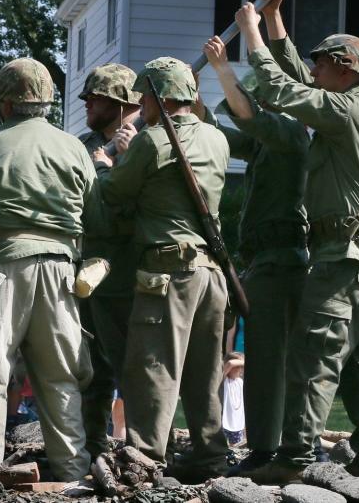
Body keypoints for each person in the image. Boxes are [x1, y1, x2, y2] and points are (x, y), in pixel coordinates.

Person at [240, 0, 359, 483]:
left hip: (342, 256)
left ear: (345, 69)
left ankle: (295, 456)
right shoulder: (352, 108)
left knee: (313, 354)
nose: (314, 70)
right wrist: (277, 21)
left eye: (322, 63)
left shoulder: (345, 109)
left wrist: (252, 36)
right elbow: (300, 81)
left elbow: (283, 90)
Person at [0, 57, 97, 481]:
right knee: (61, 376)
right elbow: (96, 214)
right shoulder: (73, 147)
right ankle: (73, 473)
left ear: (5, 103)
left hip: (0, 270)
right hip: (60, 273)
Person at [92, 56, 230, 483]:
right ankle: (209, 455)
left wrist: (103, 162)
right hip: (211, 272)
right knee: (205, 371)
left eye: (145, 96)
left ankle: (145, 459)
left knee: (153, 366)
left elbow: (114, 192)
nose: (141, 104)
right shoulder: (216, 139)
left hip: (168, 270)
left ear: (158, 97)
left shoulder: (152, 141)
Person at [195, 33, 310, 472]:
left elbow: (246, 117)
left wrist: (224, 68)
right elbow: (224, 134)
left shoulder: (289, 134)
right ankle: (270, 445)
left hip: (281, 261)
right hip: (266, 261)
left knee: (268, 361)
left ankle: (269, 449)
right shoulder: (268, 141)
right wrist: (191, 106)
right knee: (266, 359)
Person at [77, 63, 142, 457]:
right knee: (90, 364)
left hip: (127, 266)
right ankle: (93, 446)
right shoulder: (83, 146)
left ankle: (145, 448)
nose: (87, 103)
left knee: (132, 364)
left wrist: (121, 162)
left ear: (119, 103)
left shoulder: (146, 139)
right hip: (88, 265)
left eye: (96, 97)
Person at [222, 352, 245, 446]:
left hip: (237, 422)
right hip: (224, 421)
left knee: (235, 446)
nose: (241, 369)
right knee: (222, 444)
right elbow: (230, 363)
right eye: (238, 366)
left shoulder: (240, 382)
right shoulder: (223, 380)